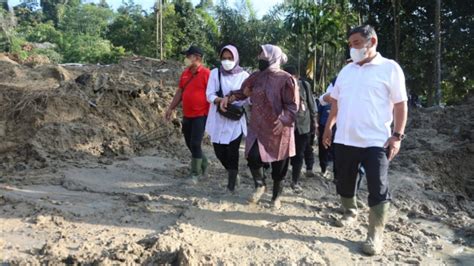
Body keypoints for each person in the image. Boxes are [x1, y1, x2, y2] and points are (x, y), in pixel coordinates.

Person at [323, 25, 408, 255]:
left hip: (376, 141)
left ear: (373, 42)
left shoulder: (390, 68)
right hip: (344, 139)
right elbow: (336, 102)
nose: (353, 48)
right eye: (350, 45)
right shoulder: (346, 71)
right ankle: (350, 211)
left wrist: (397, 136)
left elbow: (400, 104)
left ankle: (375, 235)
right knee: (343, 182)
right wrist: (329, 127)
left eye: (357, 43)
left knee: (378, 187)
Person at [220, 44, 298, 209]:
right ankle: (260, 184)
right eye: (260, 56)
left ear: (273, 57)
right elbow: (243, 91)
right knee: (252, 156)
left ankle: (276, 197)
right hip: (258, 126)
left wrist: (284, 120)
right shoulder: (256, 77)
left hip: (279, 128)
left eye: (263, 56)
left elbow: (292, 106)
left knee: (279, 165)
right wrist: (230, 97)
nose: (259, 59)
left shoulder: (286, 79)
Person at [205, 45, 250, 193]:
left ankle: (231, 184)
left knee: (232, 152)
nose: (227, 61)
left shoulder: (244, 76)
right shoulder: (215, 73)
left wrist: (231, 100)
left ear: (236, 58)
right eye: (224, 58)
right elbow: (209, 94)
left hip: (235, 119)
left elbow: (247, 97)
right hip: (218, 117)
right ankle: (232, 172)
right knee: (219, 151)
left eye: (230, 58)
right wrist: (220, 100)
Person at [165, 46, 211, 183]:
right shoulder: (185, 73)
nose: (185, 59)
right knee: (189, 142)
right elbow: (180, 92)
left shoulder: (207, 74)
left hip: (201, 114)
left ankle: (195, 174)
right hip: (187, 114)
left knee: (195, 143)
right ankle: (204, 163)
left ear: (197, 57)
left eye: (188, 56)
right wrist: (170, 108)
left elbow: (212, 94)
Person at [283, 65, 317, 193]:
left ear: (297, 77)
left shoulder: (304, 86)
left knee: (299, 153)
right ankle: (281, 177)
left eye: (293, 78)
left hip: (302, 125)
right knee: (285, 154)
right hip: (285, 126)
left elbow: (311, 104)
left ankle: (295, 181)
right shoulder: (280, 86)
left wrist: (315, 123)